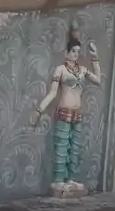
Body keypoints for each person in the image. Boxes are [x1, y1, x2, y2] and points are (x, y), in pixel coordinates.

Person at [32, 29, 102, 196]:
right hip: (64, 112)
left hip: (77, 113)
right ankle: (58, 180)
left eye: (78, 52)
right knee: (62, 146)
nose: (76, 55)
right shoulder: (60, 70)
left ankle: (71, 179)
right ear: (66, 53)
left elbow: (98, 80)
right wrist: (39, 110)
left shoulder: (83, 70)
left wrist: (95, 57)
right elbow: (52, 93)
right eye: (73, 52)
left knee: (75, 147)